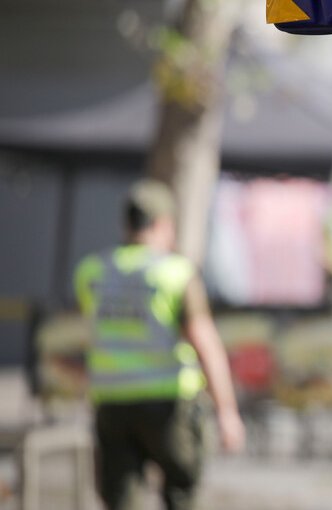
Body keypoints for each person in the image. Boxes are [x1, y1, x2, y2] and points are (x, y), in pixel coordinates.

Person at [73, 179, 245, 510]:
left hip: (112, 403)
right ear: (164, 224)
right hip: (169, 404)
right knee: (181, 492)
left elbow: (92, 332)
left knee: (121, 498)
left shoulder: (92, 272)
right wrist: (227, 412)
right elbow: (205, 342)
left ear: (126, 224)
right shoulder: (175, 274)